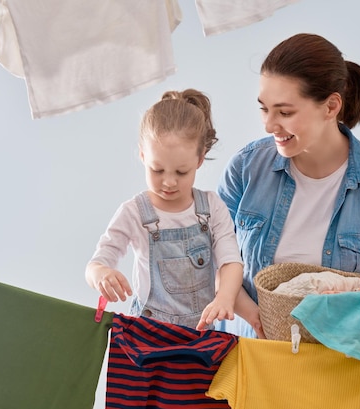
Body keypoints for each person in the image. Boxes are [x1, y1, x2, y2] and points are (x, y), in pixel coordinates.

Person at [217, 33, 360, 341]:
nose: (269, 124)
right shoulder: (246, 168)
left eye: (285, 112)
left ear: (331, 107)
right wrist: (258, 319)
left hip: (340, 370)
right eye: (264, 108)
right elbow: (212, 256)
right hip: (249, 359)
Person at [86, 89, 245, 331]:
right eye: (157, 170)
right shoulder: (134, 212)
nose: (169, 182)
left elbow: (231, 261)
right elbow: (95, 264)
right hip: (147, 336)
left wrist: (224, 297)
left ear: (200, 159)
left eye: (182, 172)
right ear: (142, 154)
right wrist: (101, 274)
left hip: (199, 336)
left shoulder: (212, 208)